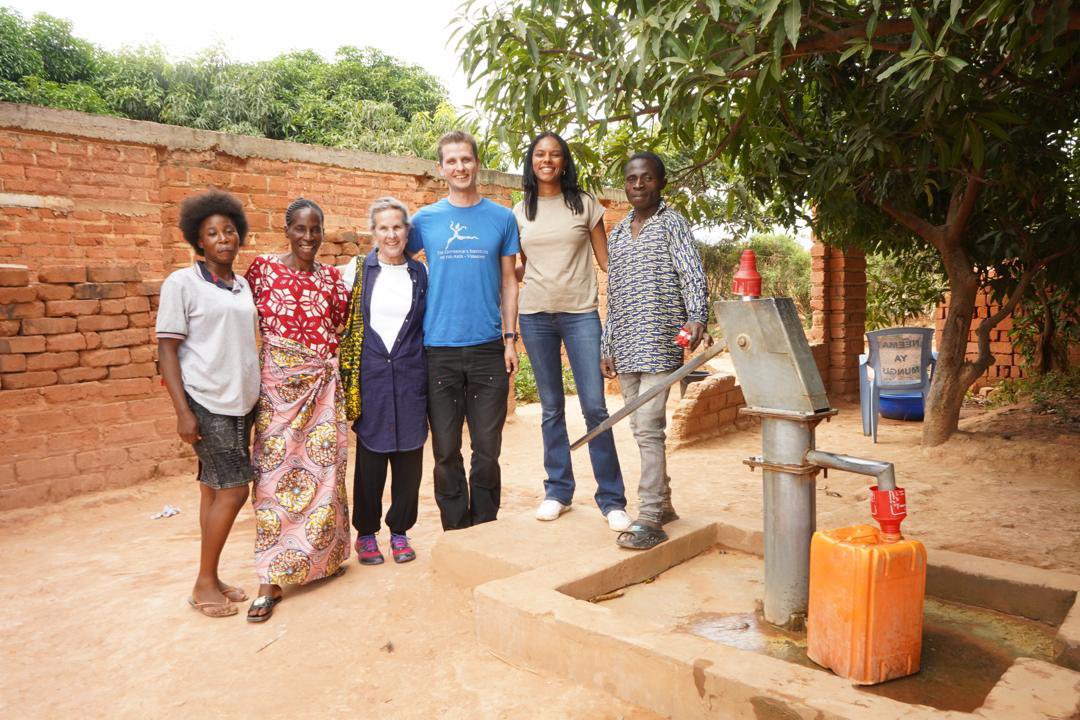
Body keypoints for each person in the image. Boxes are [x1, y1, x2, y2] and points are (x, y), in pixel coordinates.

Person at [513, 132, 630, 531]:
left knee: (595, 406)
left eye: (555, 155)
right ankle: (558, 491)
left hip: (581, 316)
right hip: (535, 316)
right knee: (550, 408)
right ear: (531, 161)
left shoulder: (584, 205)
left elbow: (607, 263)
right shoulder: (519, 211)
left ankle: (612, 499)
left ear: (565, 162)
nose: (547, 160)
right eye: (540, 154)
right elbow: (518, 267)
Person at [406, 130, 520, 531]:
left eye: (466, 159)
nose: (460, 167)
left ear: (477, 163)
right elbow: (396, 265)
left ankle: (486, 527)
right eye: (451, 161)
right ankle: (456, 528)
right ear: (441, 169)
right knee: (445, 450)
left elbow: (509, 281)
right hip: (438, 349)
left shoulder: (502, 218)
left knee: (487, 450)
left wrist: (510, 338)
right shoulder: (425, 220)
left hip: (489, 348)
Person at [244, 198, 351, 622]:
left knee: (325, 474)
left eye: (315, 229)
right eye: (300, 229)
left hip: (322, 390)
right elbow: (241, 319)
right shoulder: (262, 270)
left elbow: (338, 328)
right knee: (271, 478)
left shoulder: (332, 281)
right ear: (286, 229)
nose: (308, 237)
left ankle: (324, 559)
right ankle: (268, 579)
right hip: (277, 393)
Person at [157, 190, 260, 618]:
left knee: (211, 489)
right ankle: (203, 583)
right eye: (212, 233)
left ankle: (212, 577)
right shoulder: (182, 283)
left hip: (243, 401)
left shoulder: (242, 286)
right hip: (207, 402)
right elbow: (166, 350)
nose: (223, 239)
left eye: (229, 231)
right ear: (198, 242)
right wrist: (183, 411)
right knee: (235, 489)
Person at [601, 152, 709, 550]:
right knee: (640, 429)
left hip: (661, 342)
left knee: (648, 429)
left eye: (647, 178)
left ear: (660, 182)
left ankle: (648, 516)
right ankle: (662, 504)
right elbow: (613, 295)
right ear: (625, 185)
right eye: (632, 180)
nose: (639, 185)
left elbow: (691, 273)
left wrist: (696, 316)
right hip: (625, 345)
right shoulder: (617, 233)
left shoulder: (672, 224)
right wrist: (606, 344)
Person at [339, 197, 428, 565]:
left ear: (407, 232)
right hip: (371, 376)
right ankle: (366, 532)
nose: (391, 234)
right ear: (373, 232)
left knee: (410, 457)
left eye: (397, 227)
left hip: (410, 375)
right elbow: (337, 319)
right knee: (372, 459)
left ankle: (401, 530)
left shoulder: (421, 274)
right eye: (384, 228)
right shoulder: (356, 271)